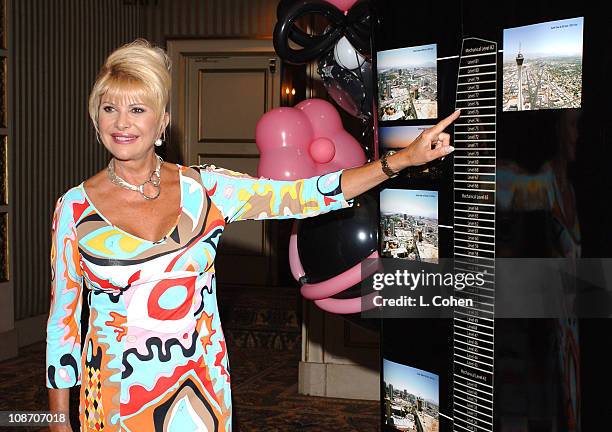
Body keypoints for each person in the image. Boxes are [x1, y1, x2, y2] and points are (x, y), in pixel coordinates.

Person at [46, 39, 459, 432]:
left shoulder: (205, 190)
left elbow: (302, 196)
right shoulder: (74, 209)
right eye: (108, 108)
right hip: (115, 400)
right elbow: (62, 321)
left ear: (162, 122)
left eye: (137, 109)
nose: (122, 123)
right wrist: (59, 419)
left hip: (198, 391)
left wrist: (401, 159)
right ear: (94, 118)